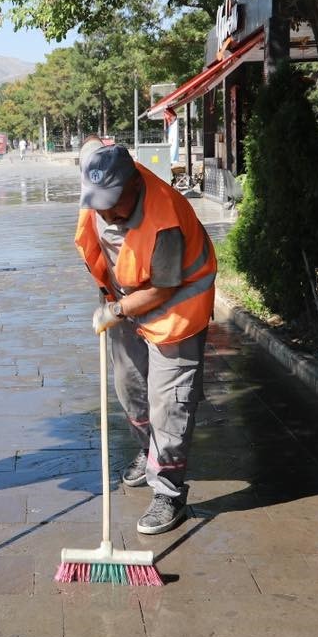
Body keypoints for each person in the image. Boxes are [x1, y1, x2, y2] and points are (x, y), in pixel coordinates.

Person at [75, 141, 216, 535]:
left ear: (134, 185)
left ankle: (168, 492)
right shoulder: (99, 191)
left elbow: (163, 288)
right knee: (130, 387)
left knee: (168, 402)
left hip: (176, 306)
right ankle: (146, 450)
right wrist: (111, 299)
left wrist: (117, 311)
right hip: (125, 299)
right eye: (98, 203)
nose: (105, 212)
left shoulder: (163, 218)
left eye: (113, 203)